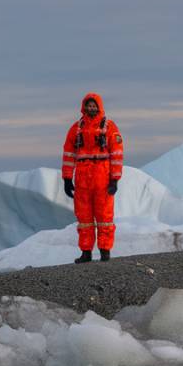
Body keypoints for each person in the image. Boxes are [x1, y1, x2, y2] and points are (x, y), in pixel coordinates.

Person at [62, 92, 124, 263]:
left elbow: (117, 153)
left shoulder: (109, 127)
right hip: (82, 177)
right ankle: (86, 253)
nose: (91, 108)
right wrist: (67, 178)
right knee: (84, 217)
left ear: (99, 106)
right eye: (88, 105)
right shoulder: (76, 128)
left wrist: (114, 179)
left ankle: (105, 252)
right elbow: (68, 153)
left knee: (104, 216)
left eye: (94, 105)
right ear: (84, 107)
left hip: (101, 176)